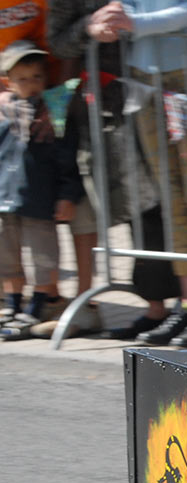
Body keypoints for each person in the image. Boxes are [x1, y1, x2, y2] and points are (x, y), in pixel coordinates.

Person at [91, 1, 187, 348]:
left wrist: (135, 22)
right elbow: (122, 9)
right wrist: (105, 21)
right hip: (144, 78)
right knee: (171, 197)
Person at [47, 0, 180, 340]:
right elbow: (58, 41)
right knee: (140, 207)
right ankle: (156, 306)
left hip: (169, 91)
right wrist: (89, 27)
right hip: (106, 107)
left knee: (169, 203)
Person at [0, 42, 85, 342]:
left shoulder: (52, 114)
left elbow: (66, 157)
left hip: (40, 199)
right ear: (8, 81)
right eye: (22, 78)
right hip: (4, 199)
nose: (31, 84)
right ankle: (12, 306)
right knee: (7, 257)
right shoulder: (3, 112)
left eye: (36, 77)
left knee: (43, 257)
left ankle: (37, 307)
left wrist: (67, 194)